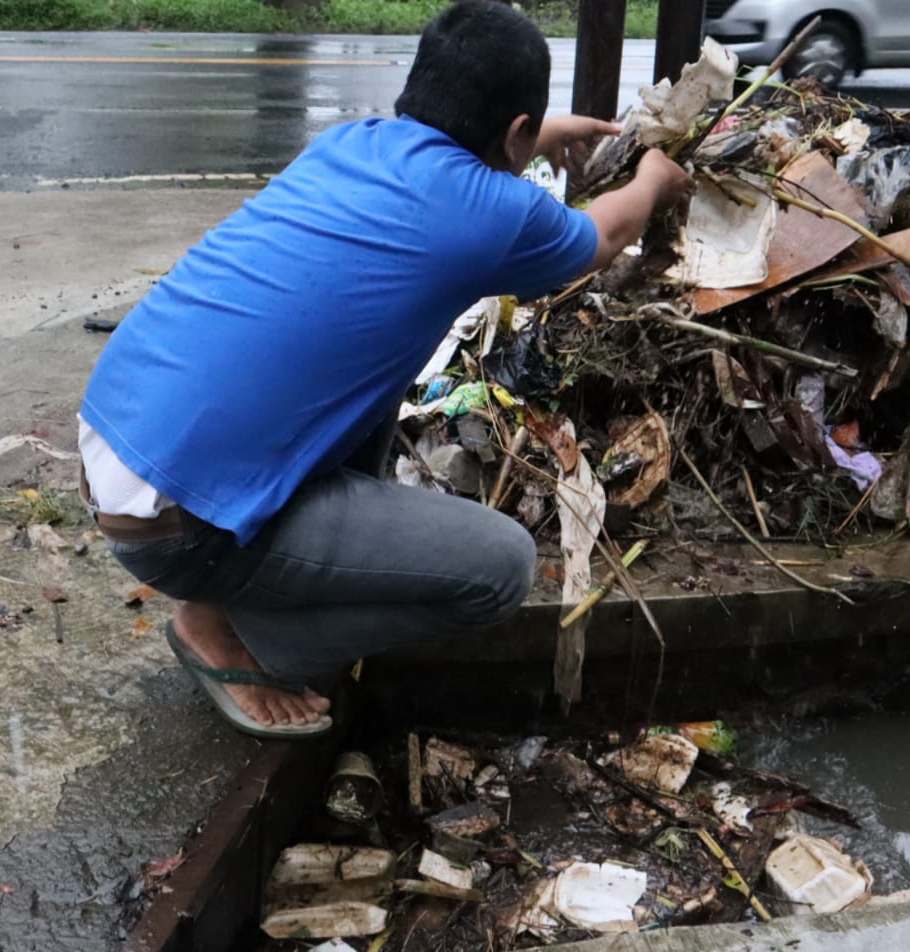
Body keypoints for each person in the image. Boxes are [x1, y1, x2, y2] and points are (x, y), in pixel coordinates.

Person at [77, 0, 690, 739]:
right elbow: (606, 232)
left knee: (371, 381)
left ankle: (227, 592)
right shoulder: (491, 212)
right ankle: (237, 641)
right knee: (500, 566)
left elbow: (458, 166)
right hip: (180, 529)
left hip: (117, 446)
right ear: (515, 132)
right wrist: (654, 175)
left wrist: (539, 134)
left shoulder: (351, 144)